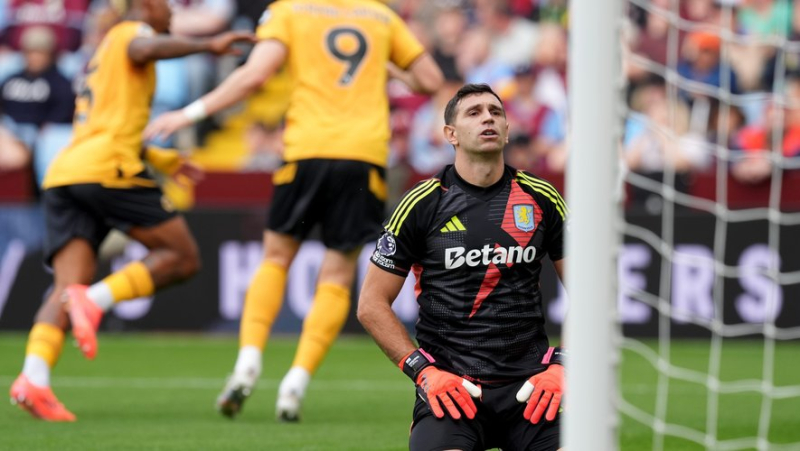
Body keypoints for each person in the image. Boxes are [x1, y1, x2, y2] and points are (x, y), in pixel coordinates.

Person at [144, 0, 443, 422]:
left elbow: (256, 73)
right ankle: (296, 382)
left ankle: (247, 362)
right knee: (337, 274)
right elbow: (430, 80)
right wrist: (387, 68)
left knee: (275, 258)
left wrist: (190, 113)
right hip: (363, 156)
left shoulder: (290, 10)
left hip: (307, 151)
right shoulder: (381, 16)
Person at [8, 0, 254, 422]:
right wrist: (209, 44)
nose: (172, 12)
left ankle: (33, 377)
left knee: (65, 288)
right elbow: (144, 48)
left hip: (67, 173)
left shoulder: (100, 53)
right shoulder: (131, 34)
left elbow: (111, 124)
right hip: (109, 171)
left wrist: (164, 161)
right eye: (165, 5)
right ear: (144, 6)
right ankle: (97, 300)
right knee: (182, 257)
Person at [357, 83, 567, 451]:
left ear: (506, 130)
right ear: (450, 135)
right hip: (453, 392)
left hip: (532, 389)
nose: (488, 117)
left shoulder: (541, 198)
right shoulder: (422, 204)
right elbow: (371, 304)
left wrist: (563, 366)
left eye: (495, 112)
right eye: (474, 112)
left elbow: (594, 294)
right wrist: (424, 373)